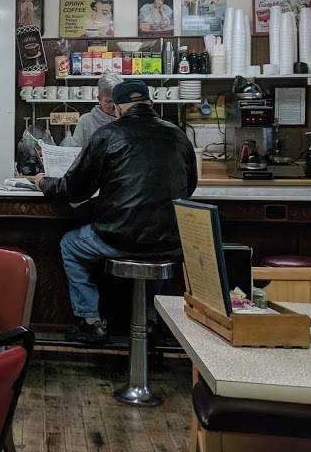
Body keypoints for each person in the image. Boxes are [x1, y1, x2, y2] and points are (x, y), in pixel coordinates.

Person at [35, 80, 198, 342]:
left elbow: (74, 190)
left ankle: (90, 321)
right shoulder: (178, 135)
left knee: (70, 244)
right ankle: (149, 319)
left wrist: (44, 182)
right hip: (170, 240)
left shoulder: (107, 135)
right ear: (150, 103)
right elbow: (189, 186)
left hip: (119, 237)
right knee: (155, 252)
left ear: (117, 108)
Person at [69, 71, 123, 147]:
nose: (114, 106)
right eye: (109, 101)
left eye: (117, 101)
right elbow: (75, 150)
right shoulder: (85, 121)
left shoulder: (129, 120)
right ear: (99, 99)